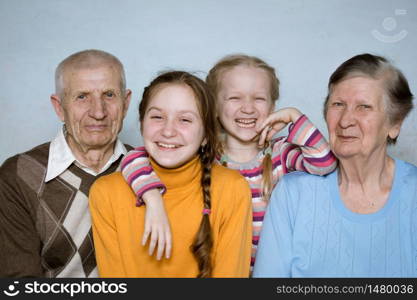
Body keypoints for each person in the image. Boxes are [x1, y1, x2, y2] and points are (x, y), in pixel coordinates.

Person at [121, 54, 337, 269]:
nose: (248, 108)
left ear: (272, 107)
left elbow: (324, 163)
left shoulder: (281, 153)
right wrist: (152, 198)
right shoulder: (204, 153)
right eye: (235, 98)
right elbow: (134, 158)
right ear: (213, 107)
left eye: (259, 99)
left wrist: (294, 117)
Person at [253, 53, 417, 277]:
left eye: (364, 107)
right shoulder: (293, 192)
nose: (345, 120)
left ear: (394, 124)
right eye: (338, 104)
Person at [89, 71, 253, 277]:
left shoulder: (232, 189)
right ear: (141, 123)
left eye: (185, 120)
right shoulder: (106, 193)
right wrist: (153, 199)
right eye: (157, 117)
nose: (168, 131)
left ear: (205, 135)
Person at [0, 49, 132, 277]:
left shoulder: (151, 169)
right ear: (59, 106)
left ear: (126, 102)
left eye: (109, 95)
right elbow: (20, 283)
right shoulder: (18, 176)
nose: (98, 112)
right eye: (82, 97)